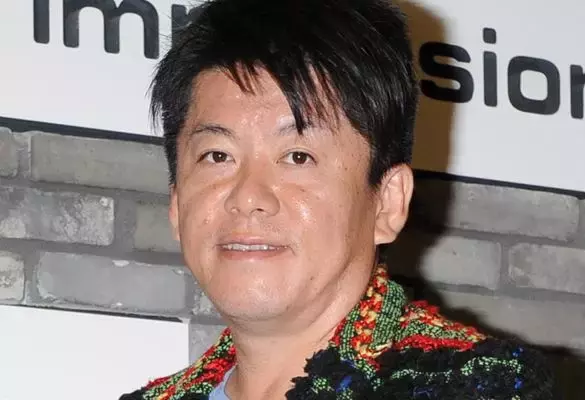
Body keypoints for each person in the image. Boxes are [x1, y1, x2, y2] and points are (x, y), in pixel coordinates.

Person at [120, 0, 557, 398]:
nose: (248, 197)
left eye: (297, 156)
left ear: (387, 203)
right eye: (218, 156)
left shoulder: (475, 388)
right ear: (176, 204)